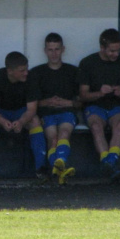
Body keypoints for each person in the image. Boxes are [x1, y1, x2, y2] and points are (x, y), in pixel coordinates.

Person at [0, 51, 48, 182]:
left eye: (26, 69)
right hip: (1, 112)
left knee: (35, 121)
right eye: (22, 70)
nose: (26, 73)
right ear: (10, 71)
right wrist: (3, 121)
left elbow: (32, 109)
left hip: (21, 112)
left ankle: (41, 168)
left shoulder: (30, 78)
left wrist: (21, 121)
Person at [78, 29, 120, 180]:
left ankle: (110, 162)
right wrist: (100, 93)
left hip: (117, 105)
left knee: (119, 125)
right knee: (96, 126)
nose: (116, 54)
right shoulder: (88, 63)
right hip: (95, 106)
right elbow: (83, 95)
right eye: (112, 51)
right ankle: (107, 162)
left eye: (118, 50)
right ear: (102, 48)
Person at [30, 33, 79, 185]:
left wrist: (67, 103)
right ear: (45, 50)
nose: (54, 53)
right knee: (53, 139)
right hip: (47, 113)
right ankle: (60, 171)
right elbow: (33, 103)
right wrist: (47, 102)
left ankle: (59, 167)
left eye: (57, 49)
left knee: (64, 133)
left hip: (67, 112)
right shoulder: (36, 72)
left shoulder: (73, 71)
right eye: (50, 49)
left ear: (63, 49)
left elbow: (81, 100)